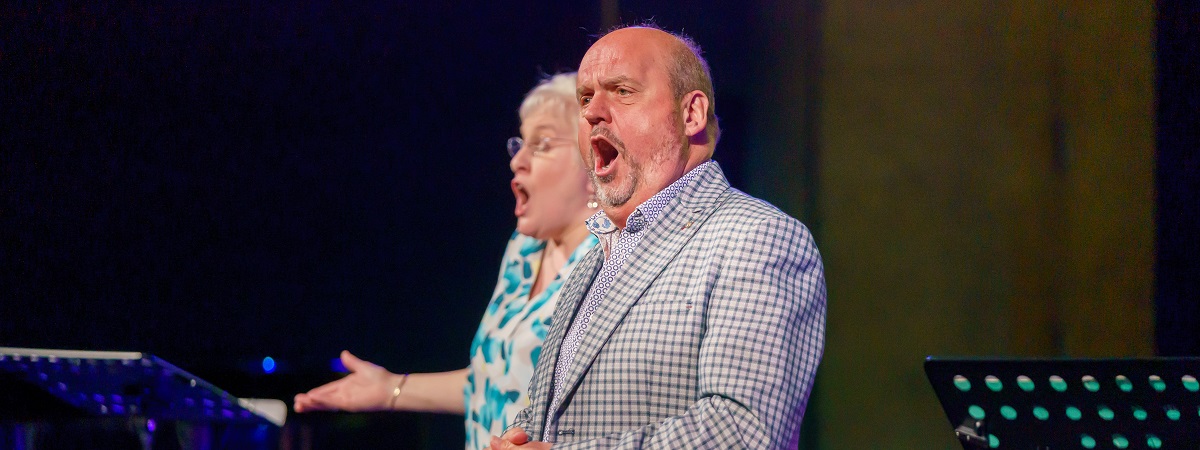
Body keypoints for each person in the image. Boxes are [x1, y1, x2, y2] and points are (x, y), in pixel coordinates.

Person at [489, 26, 827, 449]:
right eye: (585, 97)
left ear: (692, 115)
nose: (593, 111)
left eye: (623, 91)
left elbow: (742, 433)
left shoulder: (757, 237)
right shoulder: (594, 260)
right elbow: (555, 413)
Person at [293, 73, 601, 450]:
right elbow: (493, 383)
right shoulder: (523, 250)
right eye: (520, 144)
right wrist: (391, 389)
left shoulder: (609, 262)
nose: (518, 160)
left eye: (543, 144)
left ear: (593, 161)